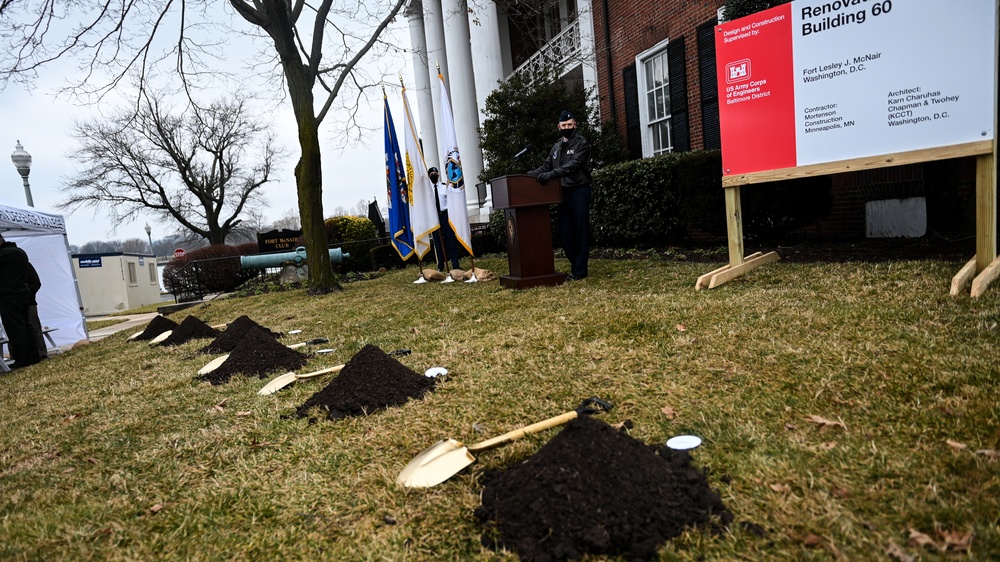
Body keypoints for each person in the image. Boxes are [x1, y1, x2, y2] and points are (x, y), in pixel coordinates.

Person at [529, 109, 593, 280]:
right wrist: (527, 176)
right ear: (558, 126)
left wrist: (552, 174)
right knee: (565, 234)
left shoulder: (581, 143)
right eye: (563, 125)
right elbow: (545, 166)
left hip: (579, 191)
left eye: (569, 125)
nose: (567, 127)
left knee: (580, 232)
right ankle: (576, 264)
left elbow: (573, 165)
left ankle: (580, 271)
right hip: (562, 194)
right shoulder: (556, 146)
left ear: (575, 125)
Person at [0, 233, 42, 370]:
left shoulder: (7, 254)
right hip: (22, 296)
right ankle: (34, 357)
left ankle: (23, 360)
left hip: (9, 297)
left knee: (16, 330)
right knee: (26, 327)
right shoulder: (19, 252)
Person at [429, 166, 461, 272]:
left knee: (450, 240)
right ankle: (440, 266)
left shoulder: (444, 187)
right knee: (438, 242)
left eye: (435, 174)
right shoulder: (427, 191)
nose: (434, 176)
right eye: (432, 174)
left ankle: (455, 264)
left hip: (445, 215)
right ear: (429, 176)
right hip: (434, 217)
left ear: (438, 175)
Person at [26, 262, 48, 360]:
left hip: (29, 303)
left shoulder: (25, 265)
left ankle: (41, 353)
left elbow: (36, 283)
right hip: (19, 303)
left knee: (35, 328)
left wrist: (27, 296)